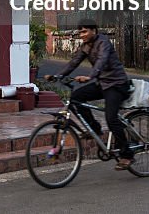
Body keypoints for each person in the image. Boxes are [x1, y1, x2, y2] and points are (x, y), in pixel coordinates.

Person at [50, 19, 134, 170]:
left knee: (111, 118)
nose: (82, 35)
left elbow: (101, 61)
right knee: (76, 97)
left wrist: (90, 76)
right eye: (80, 32)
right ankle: (94, 128)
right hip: (102, 84)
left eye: (85, 31)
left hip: (117, 84)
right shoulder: (86, 46)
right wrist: (57, 75)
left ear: (94, 30)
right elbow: (73, 63)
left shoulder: (104, 43)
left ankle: (127, 155)